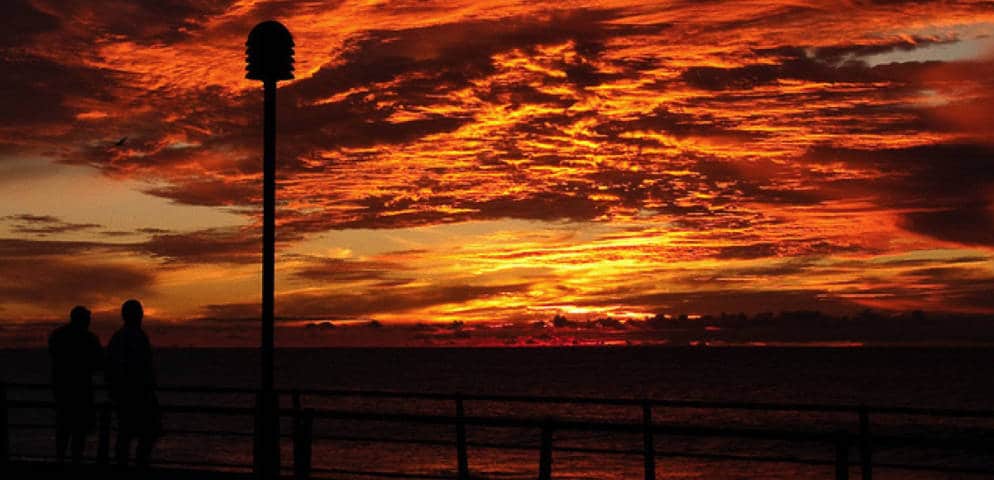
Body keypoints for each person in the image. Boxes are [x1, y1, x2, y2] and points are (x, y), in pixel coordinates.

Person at [106, 299, 161, 469]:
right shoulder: (137, 337)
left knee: (126, 434)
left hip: (124, 395)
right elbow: (143, 367)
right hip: (138, 395)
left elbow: (111, 367)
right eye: (140, 313)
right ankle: (139, 464)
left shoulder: (118, 337)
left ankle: (127, 464)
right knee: (144, 434)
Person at [48, 305, 104, 465]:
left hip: (62, 392)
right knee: (78, 435)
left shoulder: (58, 336)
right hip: (81, 393)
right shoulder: (89, 339)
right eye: (88, 320)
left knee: (63, 432)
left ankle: (60, 462)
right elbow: (99, 363)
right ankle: (75, 464)